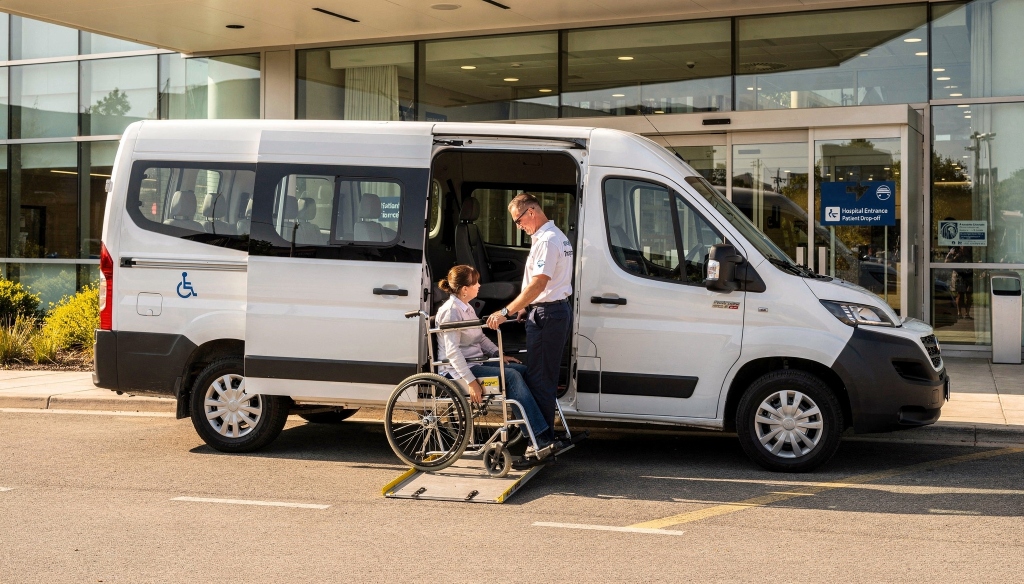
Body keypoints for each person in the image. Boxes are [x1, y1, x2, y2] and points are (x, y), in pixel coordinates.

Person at [435, 265, 555, 457]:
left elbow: (481, 339)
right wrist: (471, 382)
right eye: (476, 283)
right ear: (465, 289)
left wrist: (500, 355)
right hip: (456, 371)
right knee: (512, 377)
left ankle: (535, 429)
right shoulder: (451, 312)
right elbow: (452, 353)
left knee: (523, 370)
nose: (479, 286)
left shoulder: (466, 308)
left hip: (476, 362)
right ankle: (539, 438)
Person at [486, 193, 574, 448]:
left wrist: (507, 311)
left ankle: (540, 440)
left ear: (532, 212)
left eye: (518, 220)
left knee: (541, 380)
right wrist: (528, 308)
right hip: (549, 310)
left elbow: (539, 284)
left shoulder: (547, 240)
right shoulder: (555, 236)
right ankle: (539, 436)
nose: (518, 226)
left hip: (549, 313)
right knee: (541, 376)